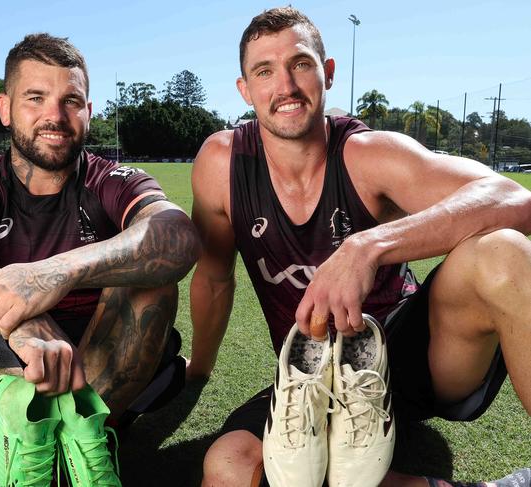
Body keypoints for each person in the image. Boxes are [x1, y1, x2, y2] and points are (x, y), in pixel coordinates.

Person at [187, 7, 531, 487]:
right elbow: (213, 276)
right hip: (309, 381)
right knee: (228, 466)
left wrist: (367, 247)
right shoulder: (223, 164)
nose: (284, 86)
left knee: (503, 252)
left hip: (409, 358)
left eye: (300, 64)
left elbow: (513, 198)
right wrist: (197, 373)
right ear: (245, 89)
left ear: (327, 73)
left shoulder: (368, 155)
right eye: (264, 71)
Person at [0, 32, 199, 479]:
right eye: (36, 97)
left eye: (71, 100)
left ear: (89, 113)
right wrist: (20, 318)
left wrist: (55, 274)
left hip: (102, 359)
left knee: (155, 281)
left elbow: (176, 234)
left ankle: (80, 441)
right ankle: (30, 448)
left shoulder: (113, 180)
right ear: (5, 108)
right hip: (9, 359)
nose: (55, 115)